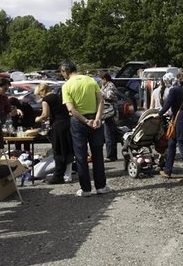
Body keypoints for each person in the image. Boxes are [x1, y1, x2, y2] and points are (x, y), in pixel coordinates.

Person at [60, 60, 110, 197]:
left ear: (65, 71)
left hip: (79, 121)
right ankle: (101, 186)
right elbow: (101, 100)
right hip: (95, 118)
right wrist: (98, 117)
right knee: (98, 154)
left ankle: (86, 189)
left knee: (81, 156)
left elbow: (71, 109)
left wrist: (86, 121)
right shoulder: (91, 80)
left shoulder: (66, 86)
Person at [159, 73, 183, 182]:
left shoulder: (173, 90)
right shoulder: (181, 88)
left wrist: (159, 114)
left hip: (180, 119)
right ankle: (167, 170)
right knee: (171, 143)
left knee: (181, 144)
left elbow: (167, 104)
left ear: (167, 82)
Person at [34, 83, 73, 184]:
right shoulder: (59, 96)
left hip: (58, 125)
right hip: (67, 123)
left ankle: (58, 175)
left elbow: (45, 115)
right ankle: (67, 174)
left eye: (39, 94)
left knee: (58, 150)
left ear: (43, 91)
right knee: (67, 149)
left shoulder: (46, 100)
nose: (40, 96)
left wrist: (37, 119)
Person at [100, 73, 120, 162]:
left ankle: (110, 156)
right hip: (108, 113)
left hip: (110, 113)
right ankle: (113, 155)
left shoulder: (110, 86)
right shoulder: (106, 86)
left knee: (109, 135)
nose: (100, 81)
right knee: (111, 135)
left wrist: (100, 93)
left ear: (104, 79)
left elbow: (109, 96)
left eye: (101, 79)